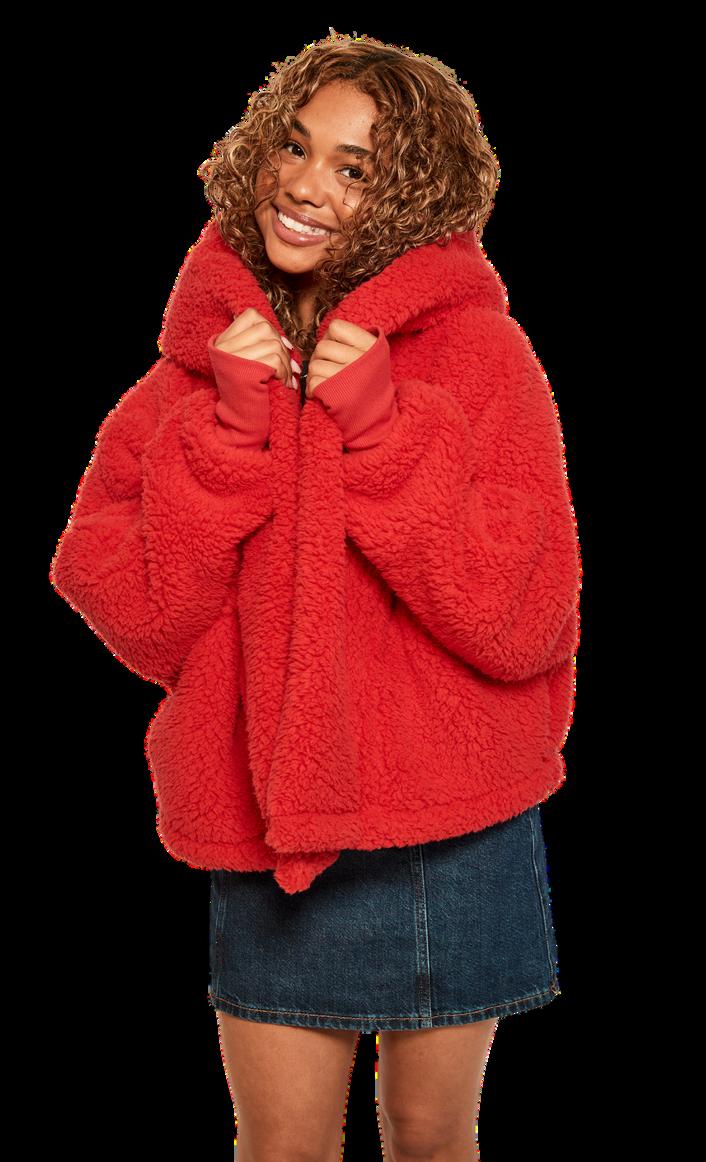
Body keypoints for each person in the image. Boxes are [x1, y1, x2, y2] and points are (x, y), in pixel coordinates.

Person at [49, 30, 582, 1162]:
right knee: (281, 1145)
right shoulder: (187, 379)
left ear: (413, 195)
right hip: (271, 825)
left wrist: (386, 436)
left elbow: (526, 621)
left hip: (452, 825)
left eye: (355, 167)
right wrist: (226, 438)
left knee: (431, 1138)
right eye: (293, 146)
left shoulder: (482, 360)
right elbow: (135, 615)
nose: (303, 185)